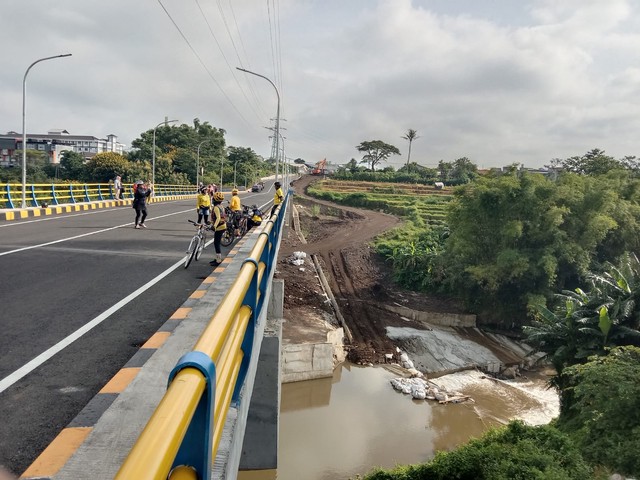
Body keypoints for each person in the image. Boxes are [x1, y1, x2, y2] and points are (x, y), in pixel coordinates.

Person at [209, 191, 226, 266]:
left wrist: (214, 226)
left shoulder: (216, 207)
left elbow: (218, 218)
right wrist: (211, 222)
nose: (212, 200)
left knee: (216, 243)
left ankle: (218, 260)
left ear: (215, 200)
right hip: (223, 226)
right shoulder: (221, 206)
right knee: (217, 242)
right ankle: (217, 258)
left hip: (219, 227)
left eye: (213, 199)